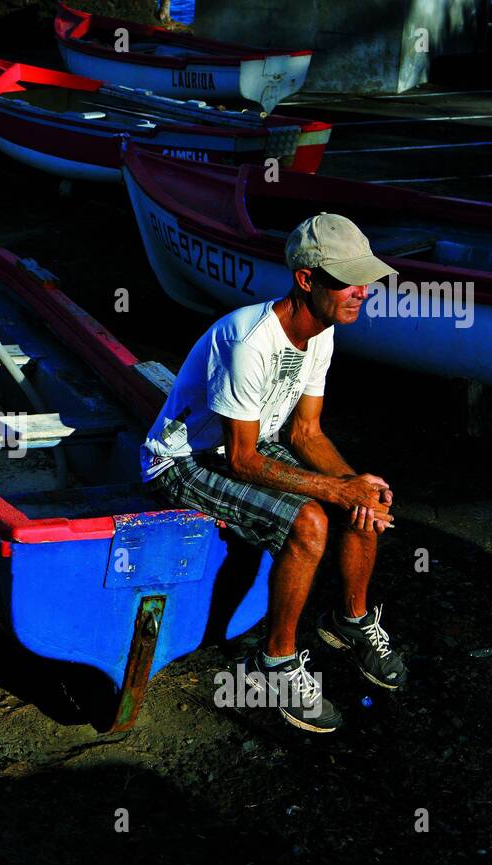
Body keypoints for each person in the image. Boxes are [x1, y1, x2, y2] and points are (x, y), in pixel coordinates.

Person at [143, 213, 407, 733]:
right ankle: (275, 664)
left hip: (247, 445)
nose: (361, 292)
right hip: (184, 458)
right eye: (347, 281)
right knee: (309, 522)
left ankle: (350, 622)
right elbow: (240, 459)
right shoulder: (251, 341)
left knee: (361, 500)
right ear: (306, 279)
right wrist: (334, 486)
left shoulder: (322, 332)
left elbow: (305, 433)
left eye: (365, 280)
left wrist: (358, 487)